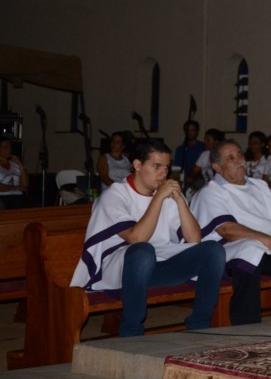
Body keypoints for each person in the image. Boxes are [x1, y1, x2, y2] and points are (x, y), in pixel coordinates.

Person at [69, 139, 225, 336]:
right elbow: (137, 237)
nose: (163, 173)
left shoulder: (167, 194)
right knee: (143, 250)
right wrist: (159, 198)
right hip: (119, 268)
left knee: (213, 250)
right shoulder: (114, 195)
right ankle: (131, 332)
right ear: (137, 165)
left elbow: (194, 239)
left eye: (166, 168)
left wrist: (179, 201)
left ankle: (199, 325)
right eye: (156, 166)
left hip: (156, 266)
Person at [191, 139, 271, 326]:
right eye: (231, 158)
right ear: (217, 167)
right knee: (249, 248)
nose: (239, 160)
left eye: (239, 154)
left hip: (269, 249)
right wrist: (270, 241)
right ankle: (246, 324)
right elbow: (227, 230)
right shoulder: (211, 192)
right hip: (228, 254)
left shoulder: (260, 186)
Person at [186, 128, 224, 195]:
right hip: (206, 188)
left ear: (216, 142)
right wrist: (191, 183)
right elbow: (194, 172)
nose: (205, 142)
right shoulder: (205, 154)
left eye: (208, 140)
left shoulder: (223, 156)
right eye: (205, 139)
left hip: (220, 190)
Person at [0, 138, 28, 209]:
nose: (9, 150)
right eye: (5, 147)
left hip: (18, 195)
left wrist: (20, 164)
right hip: (3, 196)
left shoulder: (14, 164)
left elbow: (25, 184)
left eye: (10, 147)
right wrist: (17, 187)